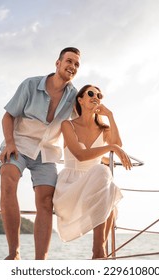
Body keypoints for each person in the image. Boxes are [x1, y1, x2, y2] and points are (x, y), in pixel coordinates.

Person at [0, 47, 81, 260]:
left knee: (46, 201)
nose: (72, 66)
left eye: (76, 64)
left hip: (47, 153)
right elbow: (8, 117)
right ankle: (13, 252)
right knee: (8, 179)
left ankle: (40, 263)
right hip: (19, 145)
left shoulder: (74, 96)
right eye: (69, 61)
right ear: (58, 63)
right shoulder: (30, 85)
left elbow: (85, 121)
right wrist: (9, 143)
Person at [52, 84, 132, 259]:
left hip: (97, 185)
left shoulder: (104, 129)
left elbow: (117, 144)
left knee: (107, 182)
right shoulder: (68, 125)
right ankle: (99, 250)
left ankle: (99, 250)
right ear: (80, 99)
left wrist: (110, 116)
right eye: (91, 93)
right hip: (71, 185)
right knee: (103, 174)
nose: (96, 96)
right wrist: (110, 147)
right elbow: (80, 155)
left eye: (100, 95)